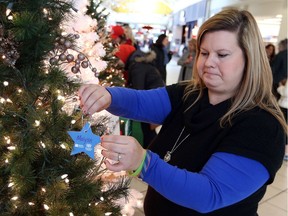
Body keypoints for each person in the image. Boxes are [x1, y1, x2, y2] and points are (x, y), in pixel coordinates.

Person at [79, 9, 287, 216]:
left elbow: (209, 194)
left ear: (250, 59)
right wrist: (108, 96)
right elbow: (140, 102)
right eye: (204, 53)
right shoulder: (189, 93)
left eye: (222, 55)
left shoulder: (263, 126)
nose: (208, 62)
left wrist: (143, 163)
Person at [277, 79, 288, 160]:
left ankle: (286, 152)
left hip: (285, 106)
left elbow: (286, 92)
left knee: (284, 128)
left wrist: (280, 86)